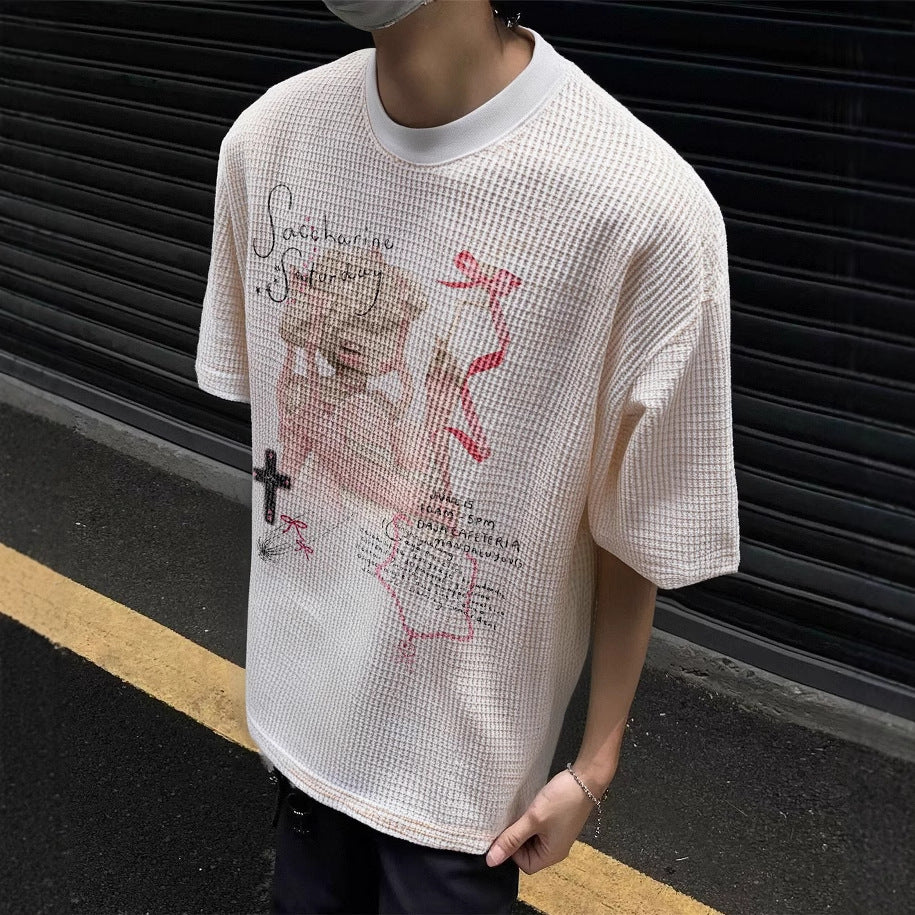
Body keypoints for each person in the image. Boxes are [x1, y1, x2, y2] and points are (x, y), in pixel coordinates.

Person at [194, 0, 741, 911]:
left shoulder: (643, 209)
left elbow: (636, 523)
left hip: (463, 794)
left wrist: (594, 762)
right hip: (299, 732)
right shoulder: (269, 142)